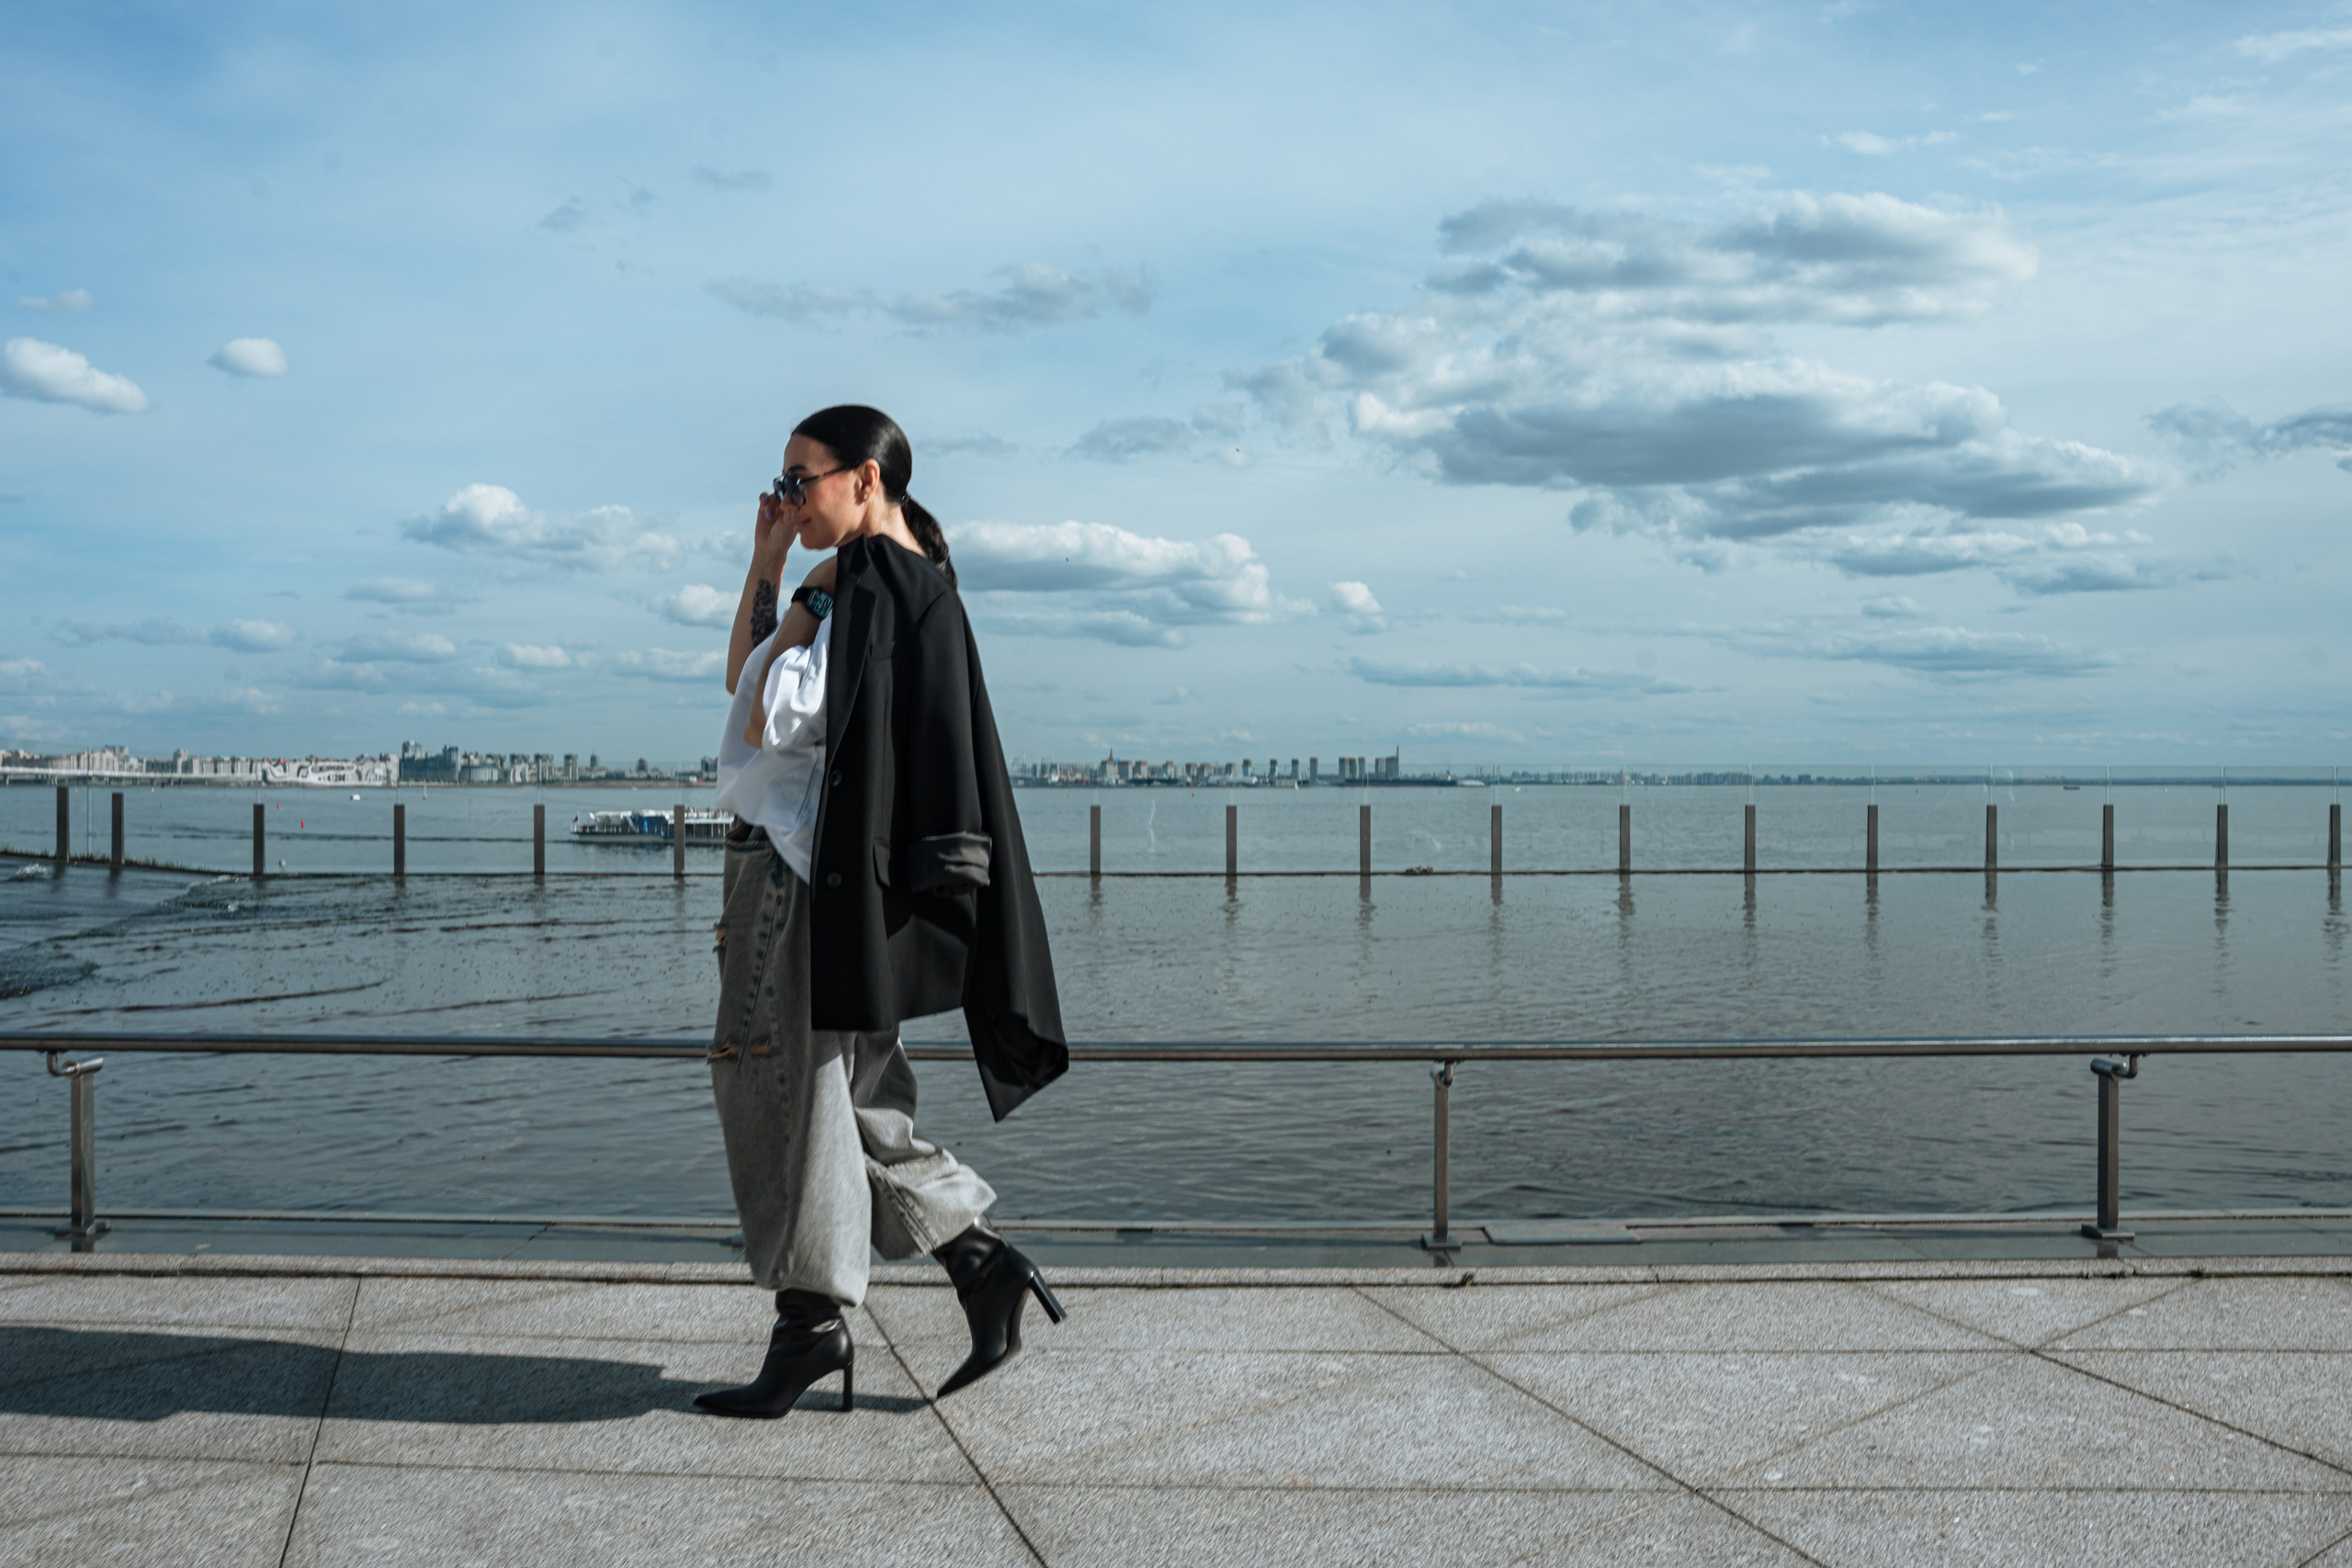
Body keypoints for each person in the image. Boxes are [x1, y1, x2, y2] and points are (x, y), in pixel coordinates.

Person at [696, 404, 1069, 1418]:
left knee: (775, 1087)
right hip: (845, 886)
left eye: (799, 480)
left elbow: (762, 711)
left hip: (797, 874)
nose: (786, 499)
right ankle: (974, 1266)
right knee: (846, 1100)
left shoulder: (865, 582)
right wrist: (772, 565)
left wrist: (805, 599)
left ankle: (813, 1324)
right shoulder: (904, 585)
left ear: (865, 478)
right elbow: (748, 681)